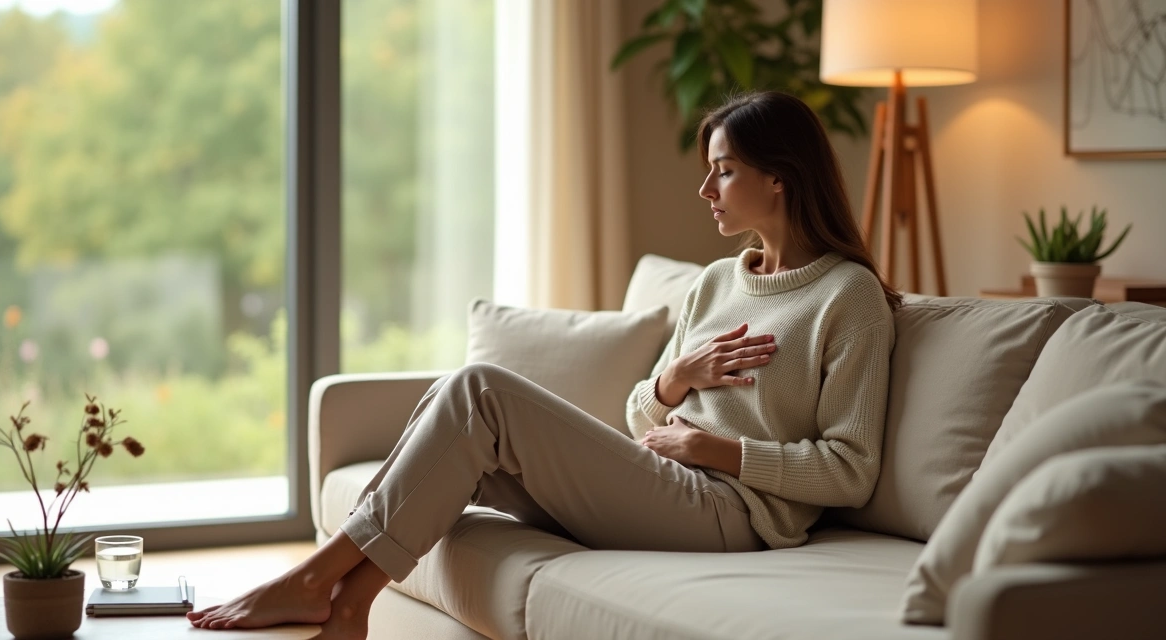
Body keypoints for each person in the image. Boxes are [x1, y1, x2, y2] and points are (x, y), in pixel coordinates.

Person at [187, 91, 901, 639]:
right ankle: (349, 605)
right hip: (663, 481)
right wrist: (673, 380)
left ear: (778, 178)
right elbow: (638, 416)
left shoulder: (849, 297)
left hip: (733, 514)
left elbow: (850, 467)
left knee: (480, 393)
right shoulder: (717, 281)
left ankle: (318, 579)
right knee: (456, 435)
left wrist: (718, 448)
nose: (706, 190)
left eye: (724, 171)